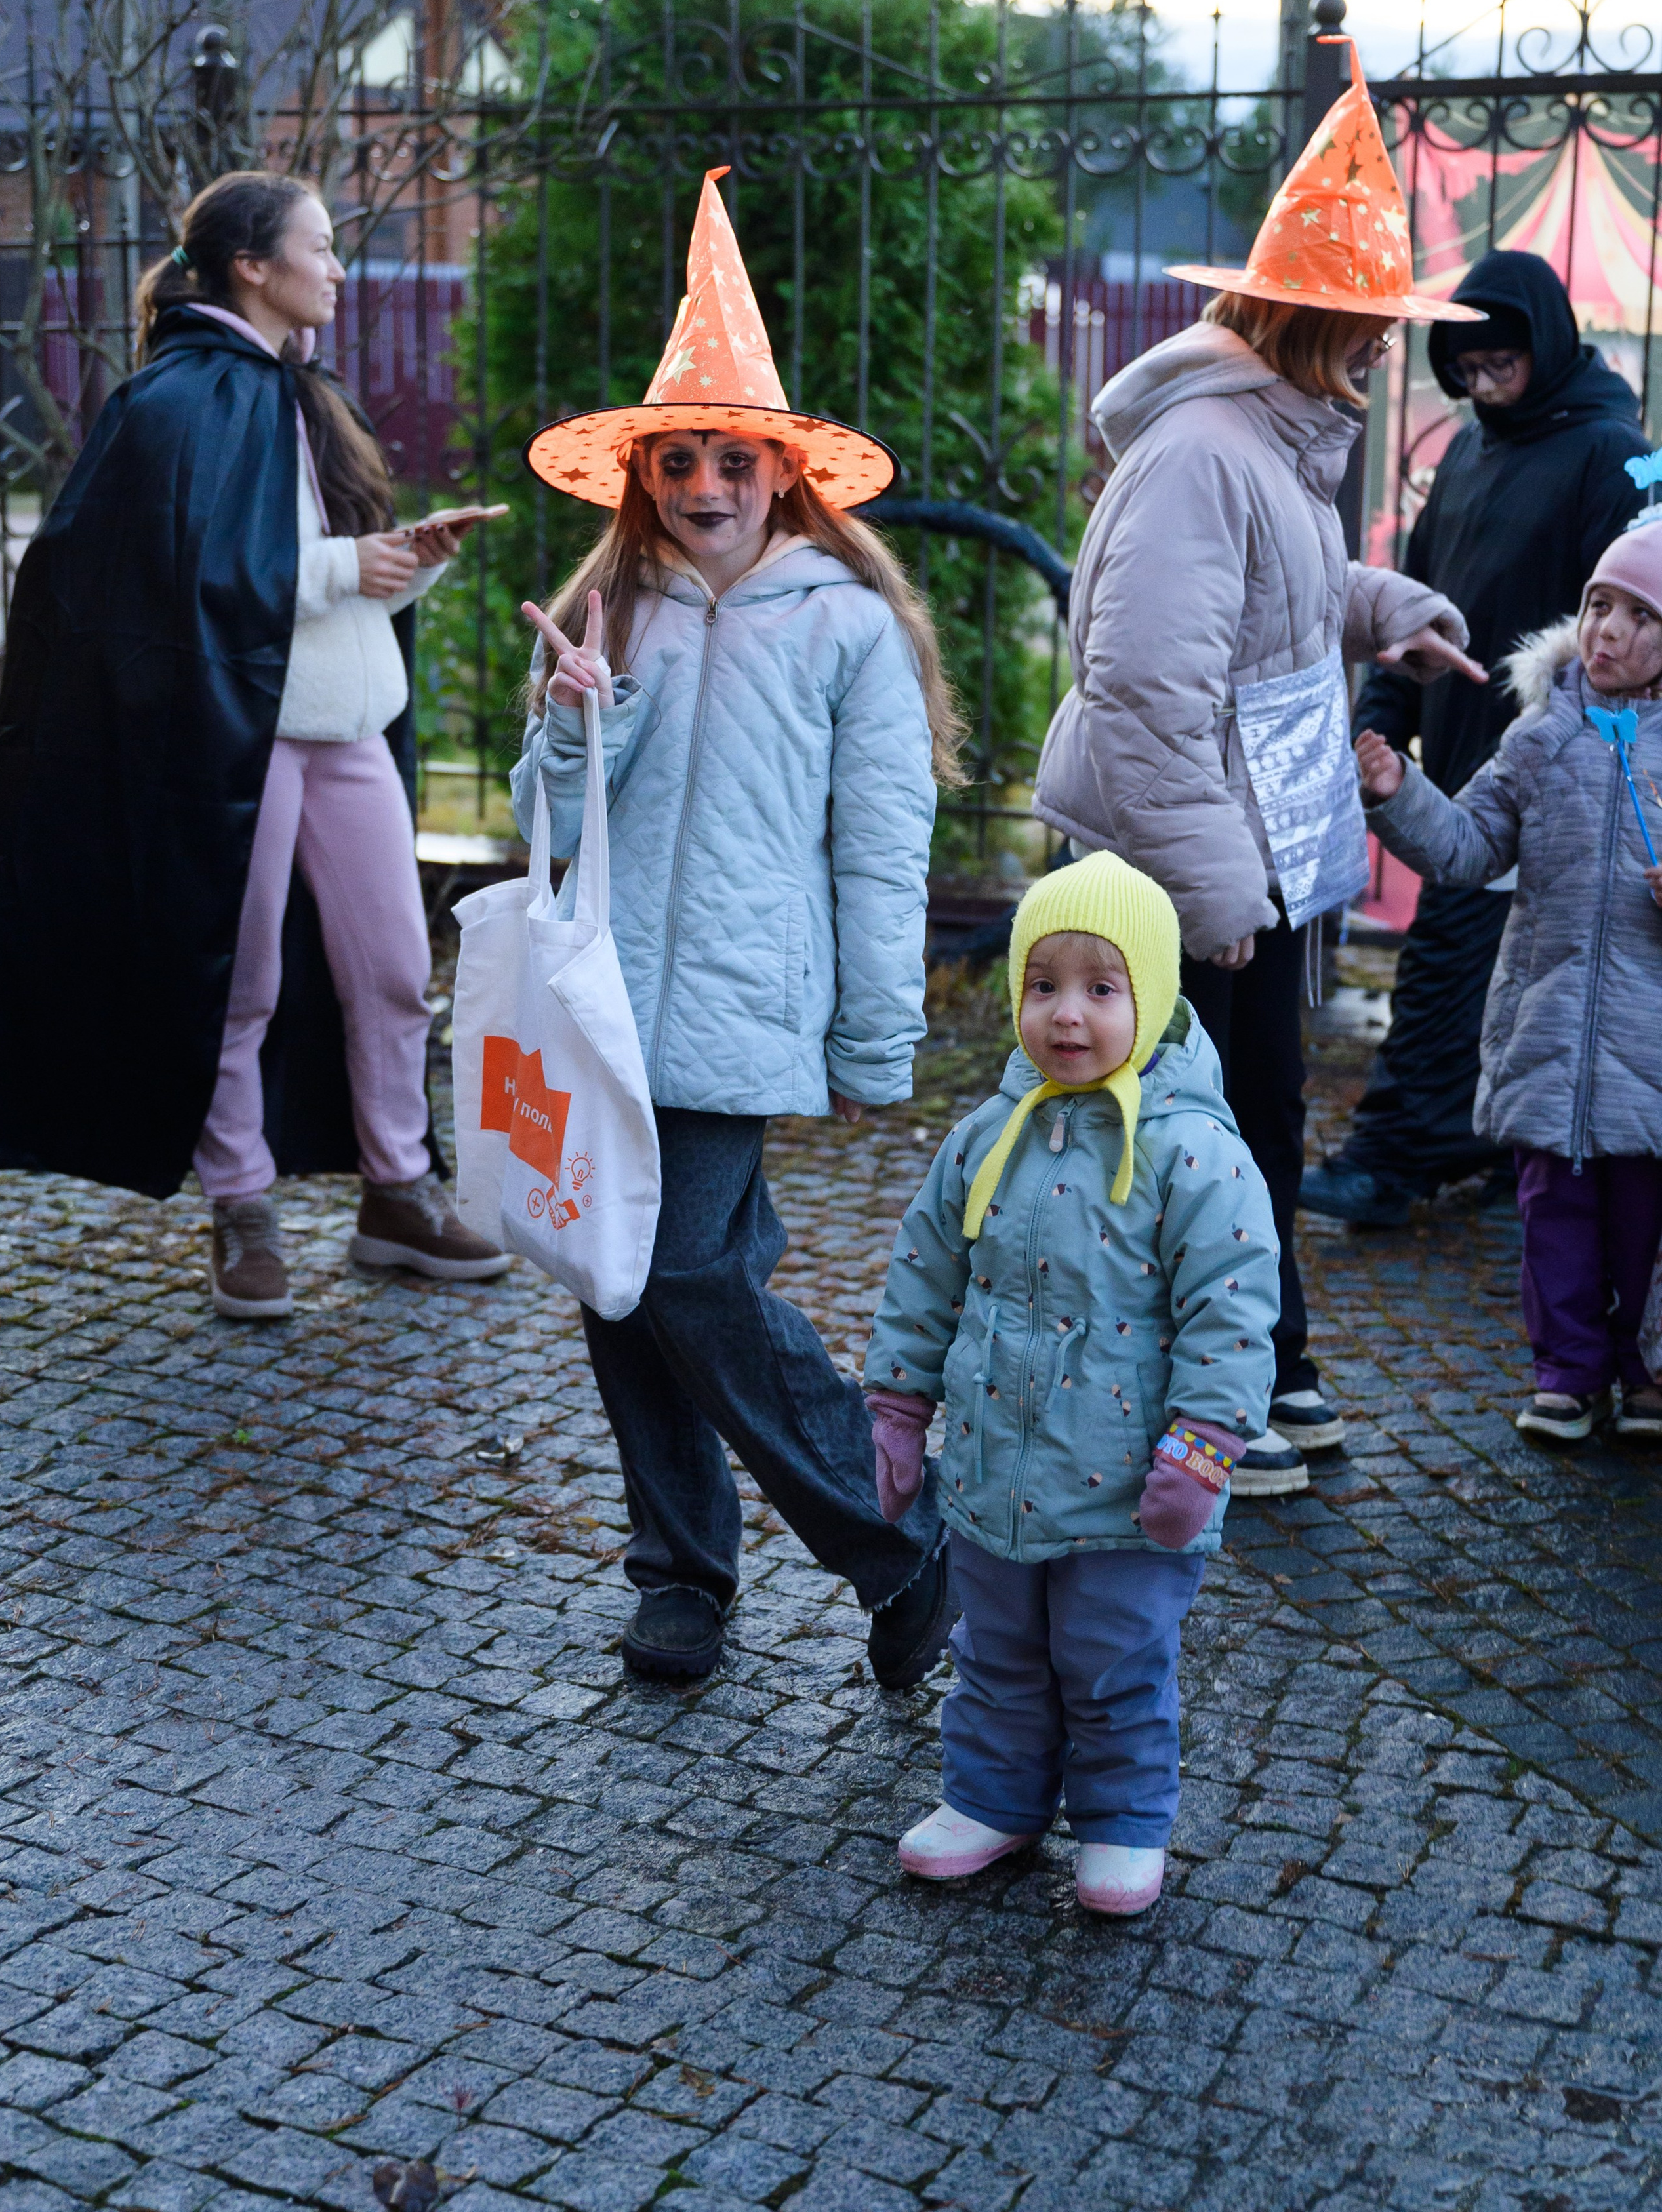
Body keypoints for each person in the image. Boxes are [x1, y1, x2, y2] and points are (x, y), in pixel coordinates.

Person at [514, 169, 965, 1691]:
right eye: (679, 460)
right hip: (603, 1005)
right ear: (643, 475)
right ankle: (682, 1576)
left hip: (734, 1010)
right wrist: (578, 721)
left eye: (732, 458)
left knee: (691, 1275)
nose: (705, 483)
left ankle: (895, 1540)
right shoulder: (610, 611)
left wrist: (871, 1035)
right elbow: (553, 820)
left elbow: (882, 843)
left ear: (783, 473)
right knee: (619, 1287)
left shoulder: (847, 622)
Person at [1032, 52, 1486, 1497]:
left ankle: (1260, 1366)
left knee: (1253, 1124)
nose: (1379, 351)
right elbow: (1145, 689)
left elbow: (1270, 602)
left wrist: (1384, 612)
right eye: (1364, 326)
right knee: (1193, 1137)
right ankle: (1214, 1388)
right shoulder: (1206, 453)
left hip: (1252, 853)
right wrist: (1217, 889)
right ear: (1301, 320)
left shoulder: (1267, 446)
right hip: (1194, 863)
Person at [0, 171, 510, 1315]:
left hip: (350, 729)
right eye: (318, 249)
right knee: (245, 978)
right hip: (243, 738)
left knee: (392, 974)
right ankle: (242, 1206)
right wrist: (337, 570)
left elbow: (309, 559)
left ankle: (399, 1193)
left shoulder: (304, 391)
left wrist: (410, 553)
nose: (334, 268)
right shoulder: (171, 403)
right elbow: (154, 579)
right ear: (252, 268)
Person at [862, 853, 1277, 1913]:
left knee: (1111, 1663)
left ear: (1154, 996)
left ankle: (1124, 1822)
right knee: (995, 1652)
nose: (1068, 1016)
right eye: (1043, 986)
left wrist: (1204, 1449)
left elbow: (1232, 1312)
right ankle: (992, 1800)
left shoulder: (1196, 1155)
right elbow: (925, 1273)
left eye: (1102, 988)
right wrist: (900, 1410)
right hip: (997, 1474)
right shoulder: (985, 1137)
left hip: (1131, 1497)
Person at [1303, 249, 1650, 1229]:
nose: (1486, 379)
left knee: (1451, 958)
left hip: (1556, 766)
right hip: (1460, 751)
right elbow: (1421, 594)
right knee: (1506, 974)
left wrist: (1583, 746)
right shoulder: (1467, 449)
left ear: (1545, 343)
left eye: (1504, 359)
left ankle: (1394, 1157)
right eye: (1468, 363)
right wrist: (1384, 712)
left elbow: (1628, 621)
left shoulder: (1611, 451)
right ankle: (1506, 1154)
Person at [1354, 506, 1662, 1441]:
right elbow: (1469, 847)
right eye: (1601, 606)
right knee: (1554, 1212)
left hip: (1651, 1046)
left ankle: (1648, 1373)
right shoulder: (1540, 740)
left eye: (1642, 617)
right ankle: (1567, 1372)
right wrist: (1400, 797)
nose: (1611, 631)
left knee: (1645, 1224)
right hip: (1548, 1025)